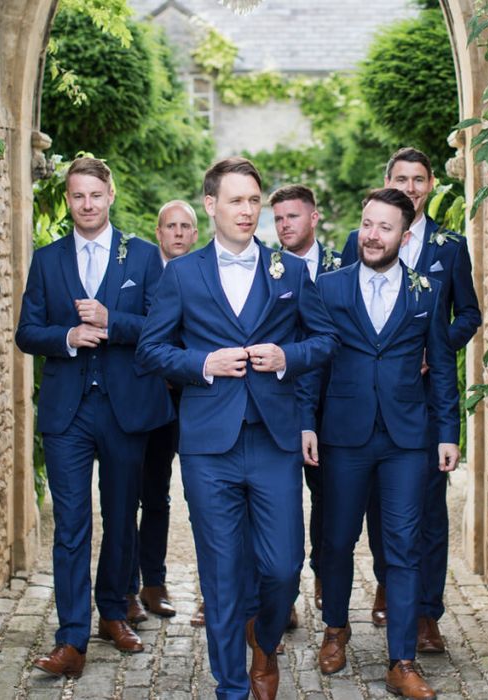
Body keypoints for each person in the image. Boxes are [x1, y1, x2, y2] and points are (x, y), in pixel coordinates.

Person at [136, 157, 338, 700]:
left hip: (274, 440)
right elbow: (151, 349)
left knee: (282, 567)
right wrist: (203, 364)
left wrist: (286, 356)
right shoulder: (180, 274)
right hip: (209, 444)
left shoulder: (290, 271)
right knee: (222, 576)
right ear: (211, 206)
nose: (248, 211)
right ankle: (231, 686)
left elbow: (324, 342)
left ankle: (264, 645)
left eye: (254, 200)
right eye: (236, 201)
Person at [15, 157, 174, 678]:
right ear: (69, 199)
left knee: (122, 514)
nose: (87, 205)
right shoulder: (47, 259)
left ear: (111, 195)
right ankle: (70, 639)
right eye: (77, 196)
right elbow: (26, 332)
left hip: (125, 408)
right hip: (69, 413)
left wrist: (113, 322)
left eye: (95, 195)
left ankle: (113, 610)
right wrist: (65, 338)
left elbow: (161, 327)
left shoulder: (145, 257)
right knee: (71, 525)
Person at [304, 187, 460, 699]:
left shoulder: (426, 292)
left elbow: (441, 368)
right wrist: (307, 423)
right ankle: (335, 629)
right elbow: (312, 367)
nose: (372, 235)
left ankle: (403, 660)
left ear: (403, 234)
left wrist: (447, 433)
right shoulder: (328, 288)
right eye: (367, 224)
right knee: (336, 540)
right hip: (344, 435)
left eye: (384, 227)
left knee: (403, 547)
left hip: (406, 440)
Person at [341, 147, 481, 651]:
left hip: (424, 396)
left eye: (419, 179)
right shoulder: (358, 243)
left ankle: (426, 613)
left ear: (430, 185)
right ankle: (390, 582)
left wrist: (434, 346)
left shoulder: (450, 245)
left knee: (428, 507)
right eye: (400, 178)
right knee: (380, 505)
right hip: (366, 403)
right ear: (387, 181)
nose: (410, 187)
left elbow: (468, 313)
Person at [127, 200, 199, 623]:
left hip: (193, 399)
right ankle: (147, 584)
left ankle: (211, 593)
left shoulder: (206, 273)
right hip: (148, 397)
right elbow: (139, 327)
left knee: (203, 494)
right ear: (159, 233)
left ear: (194, 234)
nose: (177, 232)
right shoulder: (141, 272)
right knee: (147, 493)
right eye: (169, 225)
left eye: (184, 226)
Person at [271, 183, 341, 612]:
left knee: (329, 500)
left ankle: (323, 576)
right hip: (277, 399)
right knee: (277, 502)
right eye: (277, 218)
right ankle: (282, 596)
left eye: (292, 216)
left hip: (334, 403)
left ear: (313, 217)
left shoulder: (342, 266)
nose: (284, 226)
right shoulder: (264, 266)